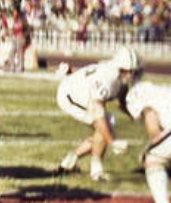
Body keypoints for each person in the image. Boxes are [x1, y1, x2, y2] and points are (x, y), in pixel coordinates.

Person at [55, 46, 142, 182]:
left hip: (83, 94)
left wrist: (135, 115)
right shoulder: (107, 79)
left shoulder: (117, 77)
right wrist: (112, 143)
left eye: (132, 72)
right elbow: (99, 115)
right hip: (71, 96)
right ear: (120, 68)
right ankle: (96, 171)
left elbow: (121, 101)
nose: (130, 75)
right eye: (127, 71)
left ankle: (70, 160)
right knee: (105, 127)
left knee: (107, 128)